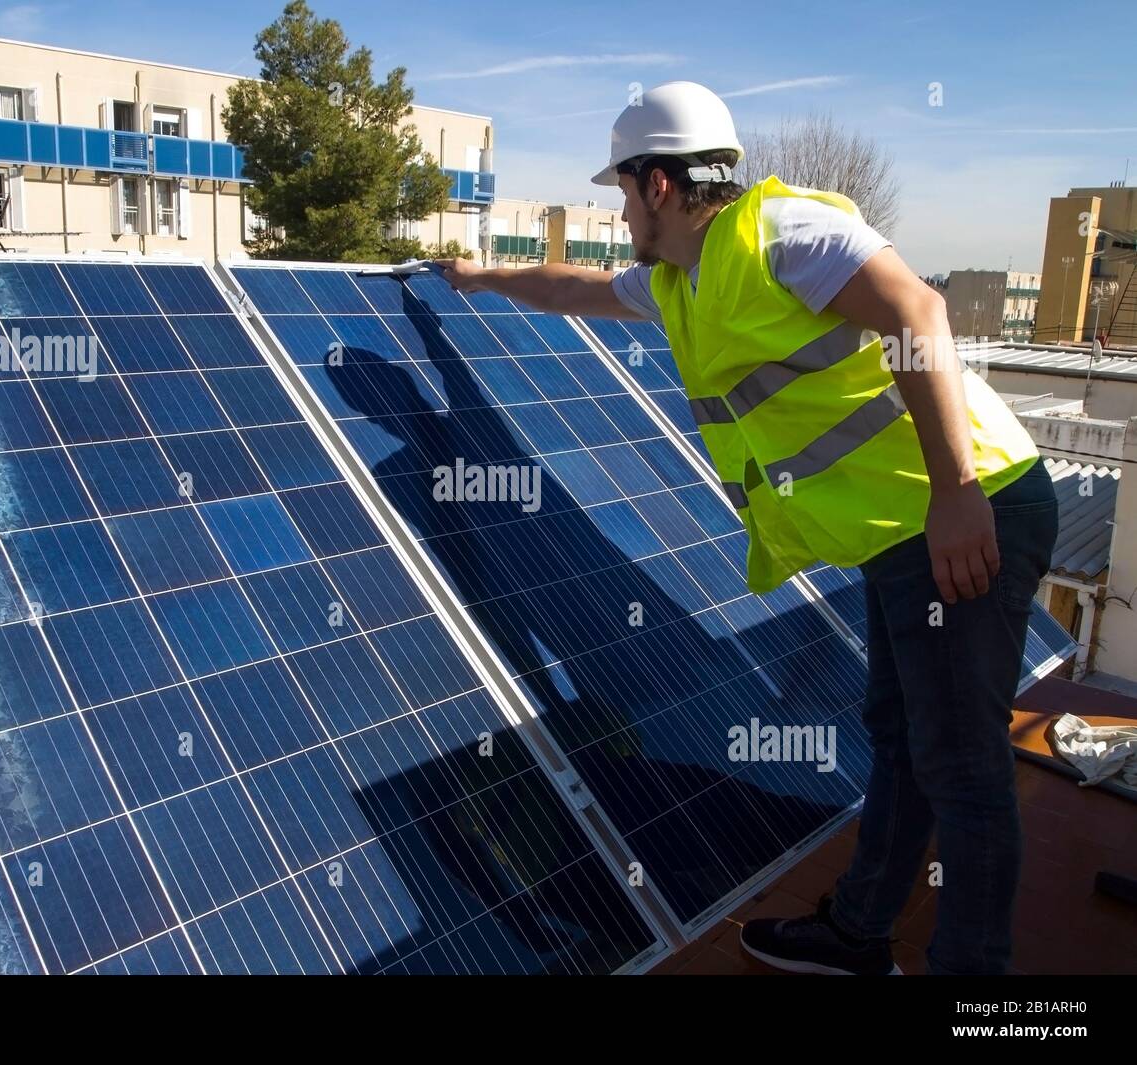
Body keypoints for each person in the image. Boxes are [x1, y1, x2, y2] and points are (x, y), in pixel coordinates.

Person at [435, 81, 1058, 975]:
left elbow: (918, 313)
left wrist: (957, 490)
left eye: (621, 189)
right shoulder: (683, 283)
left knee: (961, 767)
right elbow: (572, 285)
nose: (617, 211)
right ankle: (858, 930)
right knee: (902, 738)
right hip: (899, 532)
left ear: (658, 183)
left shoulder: (781, 232)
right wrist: (477, 277)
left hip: (968, 506)